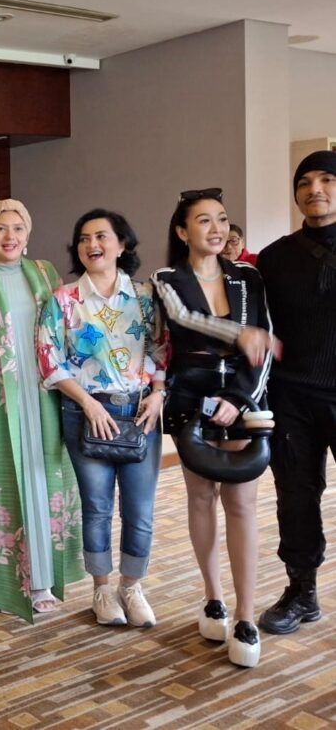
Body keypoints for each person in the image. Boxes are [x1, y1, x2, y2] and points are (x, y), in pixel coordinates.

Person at [152, 187, 272, 669]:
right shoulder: (166, 279)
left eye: (222, 219)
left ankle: (246, 615)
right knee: (201, 498)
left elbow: (264, 343)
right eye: (204, 221)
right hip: (190, 399)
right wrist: (241, 336)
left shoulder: (249, 277)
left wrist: (238, 398)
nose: (217, 229)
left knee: (242, 504)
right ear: (182, 232)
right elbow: (184, 323)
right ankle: (213, 597)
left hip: (242, 398)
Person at [0, 199, 83, 621]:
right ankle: (3, 581)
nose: (10, 236)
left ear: (27, 235)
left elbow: (66, 329)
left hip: (44, 392)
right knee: (4, 483)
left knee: (44, 479)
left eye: (18, 228)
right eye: (0, 229)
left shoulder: (45, 273)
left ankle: (42, 578)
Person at [37, 209, 168, 628]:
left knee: (140, 509)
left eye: (101, 236)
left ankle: (132, 586)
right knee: (96, 507)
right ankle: (102, 589)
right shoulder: (63, 300)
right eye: (84, 238)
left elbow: (163, 349)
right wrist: (88, 403)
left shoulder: (145, 297)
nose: (92, 244)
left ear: (122, 244)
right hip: (85, 413)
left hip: (140, 413)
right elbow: (49, 360)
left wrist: (159, 393)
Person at [256, 152, 336, 636]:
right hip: (292, 398)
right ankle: (301, 591)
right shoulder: (275, 258)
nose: (315, 190)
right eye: (304, 182)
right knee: (296, 498)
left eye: (327, 179)